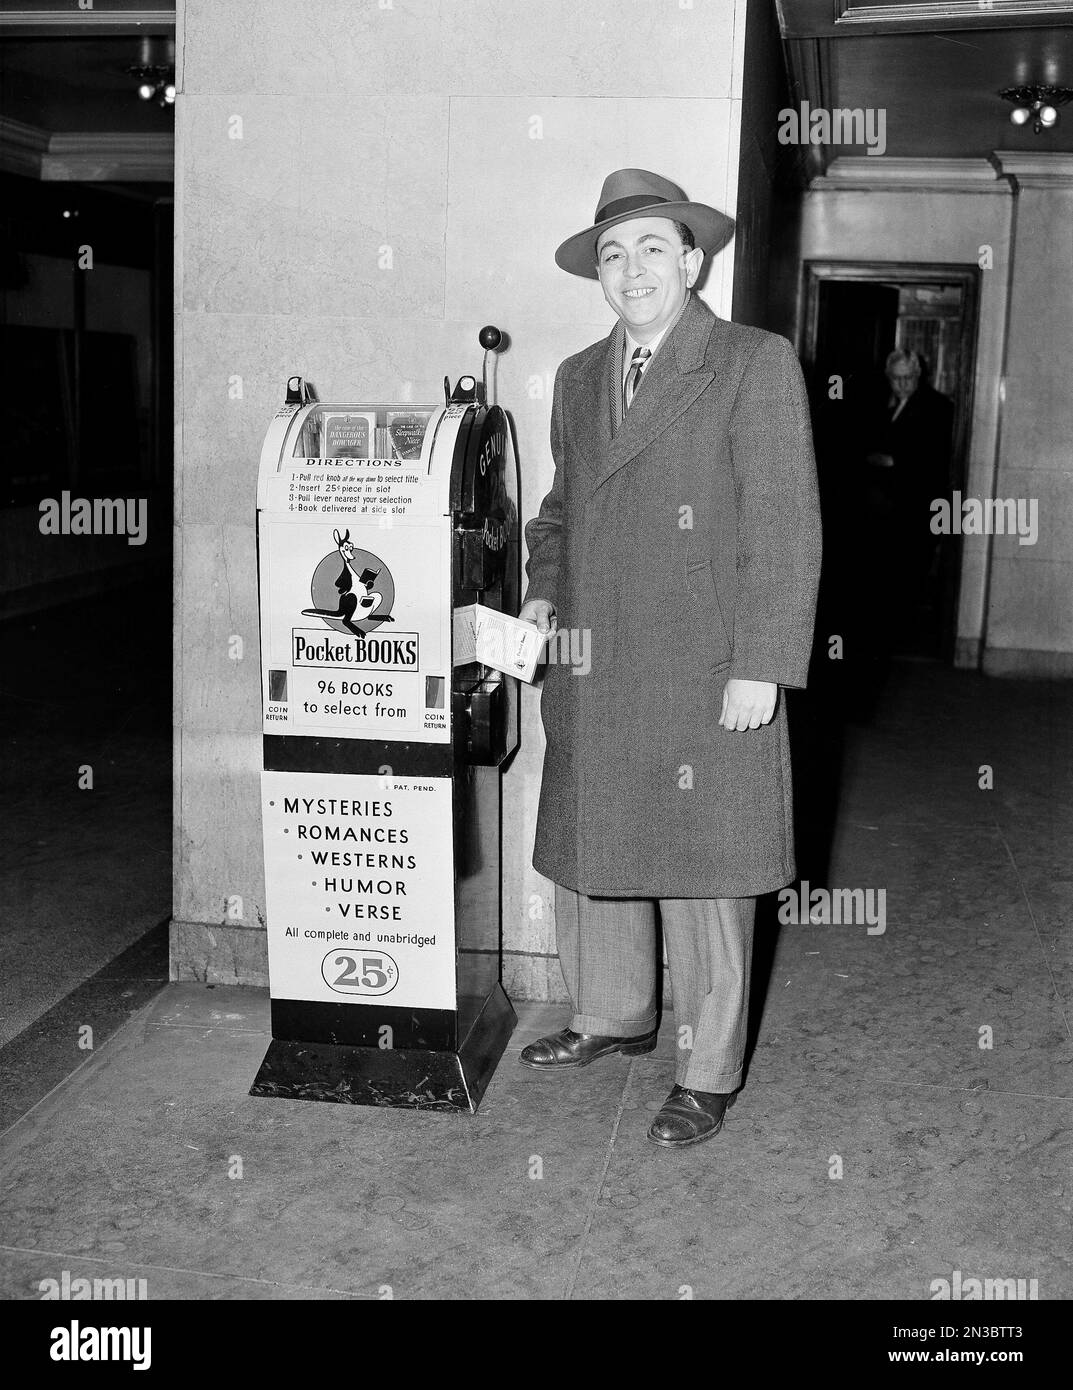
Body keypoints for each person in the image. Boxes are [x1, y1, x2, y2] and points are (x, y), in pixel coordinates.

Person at [518, 168, 822, 1149]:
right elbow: (557, 515)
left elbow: (783, 530)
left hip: (703, 668)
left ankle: (705, 1071)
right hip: (592, 662)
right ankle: (608, 1014)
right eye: (612, 253)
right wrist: (536, 597)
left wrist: (761, 664)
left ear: (691, 260)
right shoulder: (573, 376)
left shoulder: (749, 361)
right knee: (593, 845)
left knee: (704, 873)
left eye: (651, 247)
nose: (630, 268)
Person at [860, 348, 954, 653]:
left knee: (908, 574)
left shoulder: (937, 406)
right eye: (896, 378)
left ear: (919, 375)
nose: (902, 384)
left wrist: (892, 461)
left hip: (915, 507)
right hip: (885, 508)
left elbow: (934, 459)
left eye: (908, 378)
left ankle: (899, 638)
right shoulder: (887, 404)